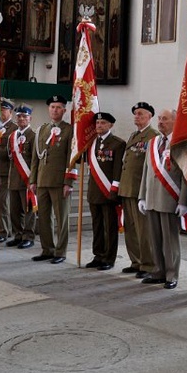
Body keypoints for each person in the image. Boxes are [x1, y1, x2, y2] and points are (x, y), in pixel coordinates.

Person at [137, 109, 187, 290]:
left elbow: (185, 175)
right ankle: (157, 271)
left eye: (165, 119)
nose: (160, 122)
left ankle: (171, 274)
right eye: (159, 119)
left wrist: (183, 201)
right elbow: (145, 171)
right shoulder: (153, 143)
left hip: (170, 199)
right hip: (151, 198)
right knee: (155, 240)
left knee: (169, 241)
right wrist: (142, 196)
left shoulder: (180, 144)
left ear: (175, 121)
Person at [29, 95, 76, 264]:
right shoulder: (42, 129)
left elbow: (71, 158)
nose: (54, 110)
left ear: (64, 110)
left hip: (59, 182)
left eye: (58, 107)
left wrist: (68, 182)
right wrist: (33, 180)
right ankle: (47, 249)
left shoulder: (70, 130)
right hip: (42, 180)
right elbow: (36, 157)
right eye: (52, 107)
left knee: (61, 218)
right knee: (44, 217)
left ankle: (60, 251)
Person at [118, 102, 159, 278]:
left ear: (150, 116)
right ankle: (136, 261)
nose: (137, 116)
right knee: (131, 229)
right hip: (127, 189)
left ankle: (148, 265)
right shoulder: (134, 135)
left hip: (140, 191)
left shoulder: (153, 136)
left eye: (141, 114)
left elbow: (152, 167)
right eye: (135, 114)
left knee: (144, 231)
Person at [85, 112, 126, 271]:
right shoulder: (91, 143)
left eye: (103, 123)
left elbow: (117, 171)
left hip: (109, 192)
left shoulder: (117, 144)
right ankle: (98, 255)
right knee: (97, 226)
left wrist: (114, 191)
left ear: (110, 125)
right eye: (97, 123)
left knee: (110, 227)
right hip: (94, 191)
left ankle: (109, 258)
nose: (99, 126)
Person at [6, 104, 37, 249]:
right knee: (14, 210)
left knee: (29, 210)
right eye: (19, 116)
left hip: (27, 179)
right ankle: (18, 235)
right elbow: (9, 157)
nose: (21, 119)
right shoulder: (12, 136)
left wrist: (33, 179)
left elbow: (35, 159)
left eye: (24, 116)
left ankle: (28, 237)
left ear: (30, 118)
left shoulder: (33, 136)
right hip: (13, 178)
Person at [0, 98, 16, 242]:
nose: (1, 112)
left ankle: (4, 231)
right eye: (0, 110)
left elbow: (9, 152)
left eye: (4, 109)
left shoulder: (13, 129)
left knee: (3, 204)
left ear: (10, 111)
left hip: (7, 171)